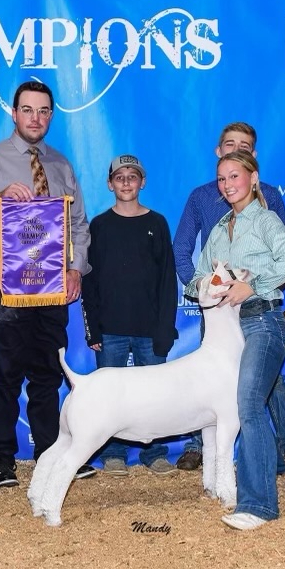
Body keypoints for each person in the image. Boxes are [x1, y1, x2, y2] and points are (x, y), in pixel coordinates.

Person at [0, 81, 94, 487]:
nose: (35, 118)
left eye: (43, 111)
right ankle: (1, 458)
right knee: (5, 371)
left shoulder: (60, 164)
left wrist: (76, 268)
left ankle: (49, 450)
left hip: (53, 278)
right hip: (5, 274)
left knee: (47, 371)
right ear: (14, 113)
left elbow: (78, 223)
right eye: (28, 110)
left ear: (51, 116)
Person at [173, 122, 285, 473]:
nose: (228, 184)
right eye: (223, 177)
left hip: (258, 313)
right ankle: (202, 448)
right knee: (216, 383)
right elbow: (189, 254)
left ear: (252, 166)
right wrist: (206, 292)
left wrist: (256, 286)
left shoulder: (266, 211)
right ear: (218, 153)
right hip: (220, 315)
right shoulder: (210, 212)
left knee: (262, 385)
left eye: (244, 148)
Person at [190, 152, 285, 531]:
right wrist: (210, 285)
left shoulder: (266, 219)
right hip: (228, 331)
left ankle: (259, 505)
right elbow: (196, 279)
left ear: (253, 178)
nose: (227, 184)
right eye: (221, 178)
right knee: (247, 404)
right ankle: (264, 475)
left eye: (234, 176)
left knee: (249, 404)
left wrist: (249, 283)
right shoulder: (221, 227)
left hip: (262, 321)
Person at [83, 155, 178, 475]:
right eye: (119, 177)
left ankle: (155, 451)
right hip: (110, 329)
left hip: (150, 329)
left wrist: (166, 327)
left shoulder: (157, 223)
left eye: (132, 176)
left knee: (155, 396)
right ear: (109, 184)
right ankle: (113, 451)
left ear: (143, 182)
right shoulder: (98, 225)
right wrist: (92, 329)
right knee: (110, 397)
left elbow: (167, 280)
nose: (126, 182)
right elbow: (89, 281)